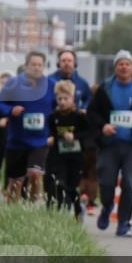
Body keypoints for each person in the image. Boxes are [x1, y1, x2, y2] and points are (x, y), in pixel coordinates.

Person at [87, 50, 132, 237]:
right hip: (109, 144)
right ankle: (107, 207)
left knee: (130, 185)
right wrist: (103, 126)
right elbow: (92, 113)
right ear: (115, 67)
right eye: (120, 64)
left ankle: (124, 222)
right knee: (107, 183)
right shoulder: (105, 88)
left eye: (127, 64)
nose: (124, 67)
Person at [0, 52, 55, 203]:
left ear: (44, 67)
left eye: (40, 65)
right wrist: (10, 111)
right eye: (33, 64)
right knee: (16, 181)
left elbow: (58, 109)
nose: (36, 68)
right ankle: (11, 210)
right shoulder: (13, 83)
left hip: (40, 140)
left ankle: (31, 206)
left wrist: (54, 134)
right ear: (26, 66)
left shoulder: (52, 85)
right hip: (17, 140)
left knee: (35, 174)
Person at [47, 79, 91, 218]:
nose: (62, 101)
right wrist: (51, 138)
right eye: (59, 98)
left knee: (72, 186)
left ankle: (78, 209)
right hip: (59, 156)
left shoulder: (79, 116)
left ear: (73, 98)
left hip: (75, 156)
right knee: (59, 183)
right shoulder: (53, 117)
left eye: (66, 98)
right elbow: (51, 132)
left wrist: (75, 136)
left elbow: (89, 132)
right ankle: (61, 209)